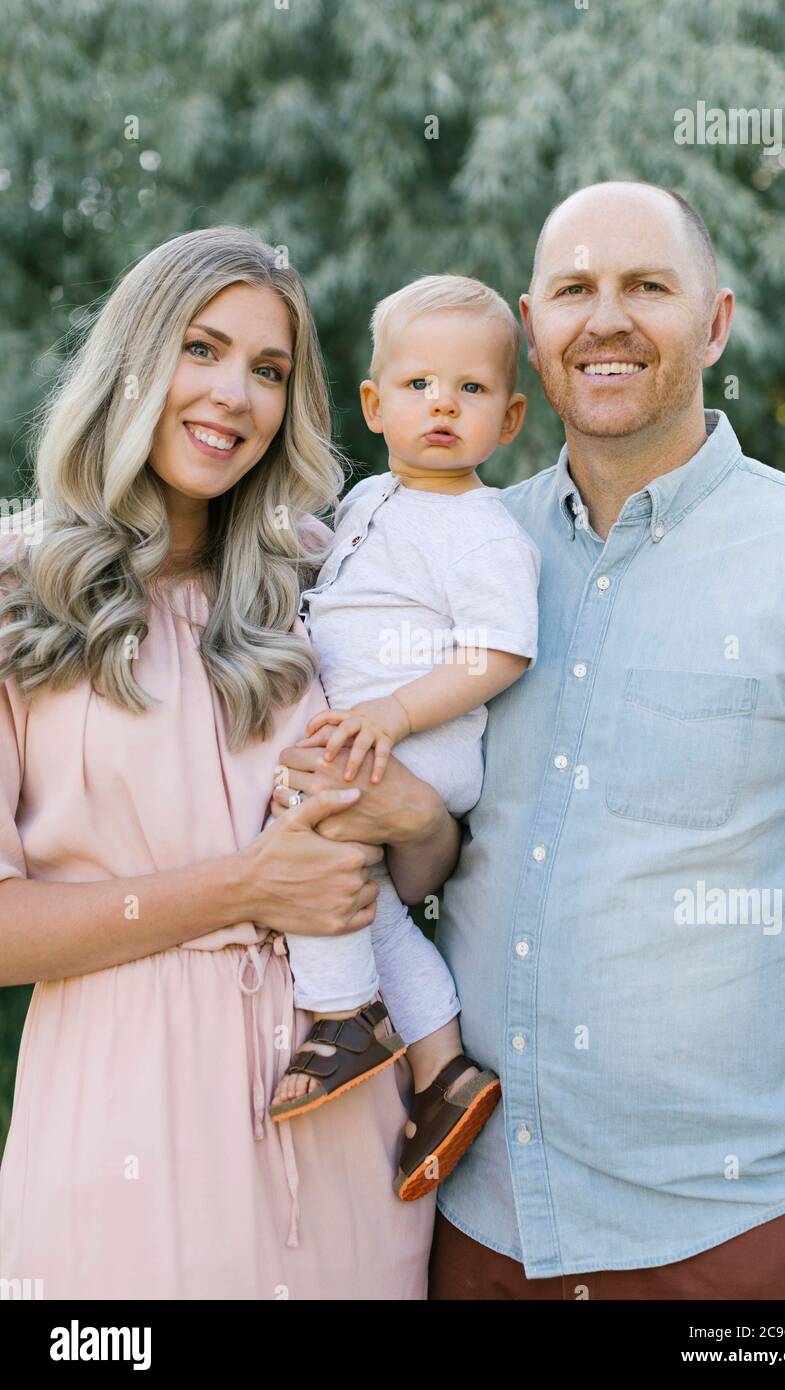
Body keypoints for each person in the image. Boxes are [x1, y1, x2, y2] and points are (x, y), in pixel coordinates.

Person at [402, 180, 785, 1300]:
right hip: (479, 1238)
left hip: (737, 1244)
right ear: (532, 329)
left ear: (712, 321)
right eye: (573, 291)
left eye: (645, 286)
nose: (603, 319)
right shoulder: (462, 553)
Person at [0, 225, 458, 1299]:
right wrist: (243, 888)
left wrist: (413, 813)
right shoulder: (18, 595)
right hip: (121, 1138)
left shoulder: (328, 584)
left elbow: (414, 878)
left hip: (349, 1136)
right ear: (132, 361)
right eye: (200, 350)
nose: (233, 396)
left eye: (268, 370)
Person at [267, 275, 541, 1204]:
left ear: (507, 420)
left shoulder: (480, 529)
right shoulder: (371, 497)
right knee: (367, 901)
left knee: (314, 842)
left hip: (416, 746)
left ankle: (343, 1015)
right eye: (420, 386)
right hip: (377, 739)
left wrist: (393, 715)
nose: (442, 406)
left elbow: (499, 651)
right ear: (376, 405)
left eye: (470, 391)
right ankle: (443, 1069)